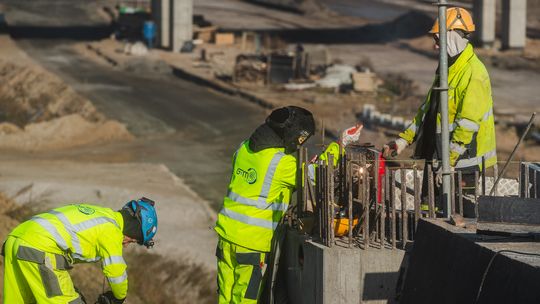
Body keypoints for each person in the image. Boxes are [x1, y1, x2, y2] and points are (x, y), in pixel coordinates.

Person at [214, 106, 361, 303]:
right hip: (251, 244)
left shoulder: (244, 148)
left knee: (225, 297)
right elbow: (317, 174)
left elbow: (261, 186)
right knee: (245, 299)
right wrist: (340, 143)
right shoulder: (281, 164)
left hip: (225, 236)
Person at [383, 7, 496, 215]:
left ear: (451, 37)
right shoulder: (447, 69)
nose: (435, 47)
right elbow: (428, 110)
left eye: (437, 39)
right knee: (430, 211)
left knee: (459, 216)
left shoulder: (474, 73)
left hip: (462, 164)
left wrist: (449, 164)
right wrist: (403, 141)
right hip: (438, 157)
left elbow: (468, 124)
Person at [2, 197, 158, 304]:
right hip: (40, 249)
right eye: (131, 240)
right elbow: (116, 271)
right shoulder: (112, 230)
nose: (125, 245)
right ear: (133, 229)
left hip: (15, 240)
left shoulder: (101, 214)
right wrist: (118, 297)